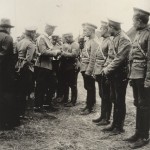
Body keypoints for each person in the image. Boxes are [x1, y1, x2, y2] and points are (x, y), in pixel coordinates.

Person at [125, 8, 150, 149]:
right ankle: (137, 132)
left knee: (144, 106)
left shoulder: (148, 34)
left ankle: (145, 136)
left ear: (140, 21)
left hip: (143, 76)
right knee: (137, 104)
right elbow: (132, 58)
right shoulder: (138, 33)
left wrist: (148, 79)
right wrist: (130, 75)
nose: (133, 23)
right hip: (135, 75)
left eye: (134, 21)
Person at [102, 19, 131, 134]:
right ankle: (114, 124)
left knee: (119, 100)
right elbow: (111, 56)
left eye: (108, 27)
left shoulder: (124, 39)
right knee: (114, 98)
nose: (107, 29)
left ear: (112, 27)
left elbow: (119, 58)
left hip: (120, 74)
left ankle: (119, 127)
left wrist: (107, 69)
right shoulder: (115, 38)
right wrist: (106, 68)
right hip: (114, 73)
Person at [34, 24, 61, 112]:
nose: (52, 31)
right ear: (47, 28)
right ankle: (38, 106)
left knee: (51, 84)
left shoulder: (46, 38)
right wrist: (55, 52)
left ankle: (46, 104)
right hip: (42, 66)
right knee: (41, 86)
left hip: (47, 66)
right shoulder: (42, 38)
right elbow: (43, 52)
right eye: (52, 29)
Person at [0, 18, 20, 129]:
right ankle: (7, 122)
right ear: (7, 28)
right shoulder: (7, 38)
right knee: (7, 97)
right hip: (5, 73)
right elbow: (3, 55)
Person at [92, 21, 113, 126]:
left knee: (106, 95)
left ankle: (106, 118)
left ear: (106, 29)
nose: (100, 31)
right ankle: (102, 115)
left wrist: (105, 70)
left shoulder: (110, 41)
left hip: (105, 70)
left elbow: (110, 58)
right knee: (102, 94)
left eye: (102, 28)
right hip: (99, 70)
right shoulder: (103, 40)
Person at [15, 26, 37, 118]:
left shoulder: (19, 42)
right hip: (26, 69)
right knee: (24, 91)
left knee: (19, 90)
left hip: (17, 67)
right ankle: (21, 113)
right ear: (31, 33)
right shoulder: (31, 44)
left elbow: (16, 56)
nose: (35, 35)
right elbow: (29, 59)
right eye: (34, 33)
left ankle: (17, 111)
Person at [80, 23, 99, 115]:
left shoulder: (95, 41)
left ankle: (90, 107)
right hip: (84, 67)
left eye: (85, 30)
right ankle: (88, 104)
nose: (84, 32)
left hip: (89, 68)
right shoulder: (88, 41)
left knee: (90, 87)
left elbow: (93, 58)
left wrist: (89, 70)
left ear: (91, 31)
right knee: (87, 87)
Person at [60, 33, 80, 107]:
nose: (66, 39)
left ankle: (73, 101)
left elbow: (74, 55)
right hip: (65, 66)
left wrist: (63, 53)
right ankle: (65, 99)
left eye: (67, 38)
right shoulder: (66, 44)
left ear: (70, 37)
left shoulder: (75, 44)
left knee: (73, 84)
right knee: (65, 83)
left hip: (72, 66)